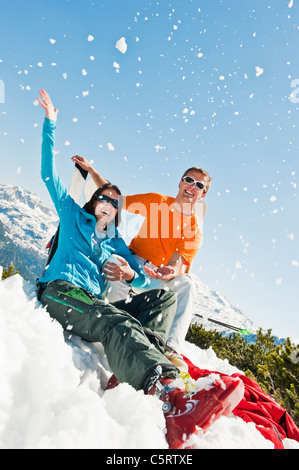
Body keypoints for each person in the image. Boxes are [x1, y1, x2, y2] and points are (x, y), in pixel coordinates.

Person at [36, 89, 244, 449]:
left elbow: (153, 270)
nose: (108, 203)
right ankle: (170, 397)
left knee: (163, 298)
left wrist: (139, 275)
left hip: (93, 297)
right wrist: (51, 123)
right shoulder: (73, 214)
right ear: (94, 200)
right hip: (61, 290)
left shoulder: (117, 242)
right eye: (103, 198)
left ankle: (143, 358)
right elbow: (49, 173)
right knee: (113, 319)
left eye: (200, 185)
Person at [72, 156, 211, 352]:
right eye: (189, 180)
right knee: (115, 262)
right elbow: (116, 200)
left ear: (202, 195)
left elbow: (176, 262)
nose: (192, 186)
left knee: (187, 284)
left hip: (158, 278)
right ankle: (112, 324)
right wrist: (93, 171)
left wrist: (167, 271)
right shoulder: (156, 201)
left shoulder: (194, 230)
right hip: (134, 262)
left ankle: (170, 348)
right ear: (180, 183)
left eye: (199, 185)